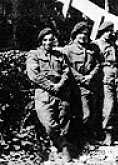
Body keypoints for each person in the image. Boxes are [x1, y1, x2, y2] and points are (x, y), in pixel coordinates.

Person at [26, 28, 73, 161]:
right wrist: (50, 86)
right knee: (48, 123)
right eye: (45, 40)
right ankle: (63, 146)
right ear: (41, 41)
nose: (48, 42)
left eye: (51, 39)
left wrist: (60, 85)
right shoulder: (34, 54)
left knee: (64, 120)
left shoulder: (60, 55)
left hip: (61, 92)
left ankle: (55, 148)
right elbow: (34, 75)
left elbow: (66, 72)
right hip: (43, 93)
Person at [62, 21, 101, 144]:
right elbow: (66, 67)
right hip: (75, 86)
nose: (83, 36)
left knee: (92, 113)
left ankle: (88, 138)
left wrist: (90, 76)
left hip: (90, 85)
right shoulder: (68, 49)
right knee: (83, 114)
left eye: (85, 34)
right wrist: (80, 78)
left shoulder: (92, 48)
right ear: (74, 34)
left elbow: (98, 64)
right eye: (80, 34)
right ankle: (81, 141)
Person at [93, 21, 118, 145]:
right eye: (107, 31)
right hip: (105, 72)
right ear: (102, 31)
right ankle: (108, 134)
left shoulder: (113, 43)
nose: (109, 33)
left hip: (116, 73)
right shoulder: (96, 44)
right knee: (109, 104)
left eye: (111, 31)